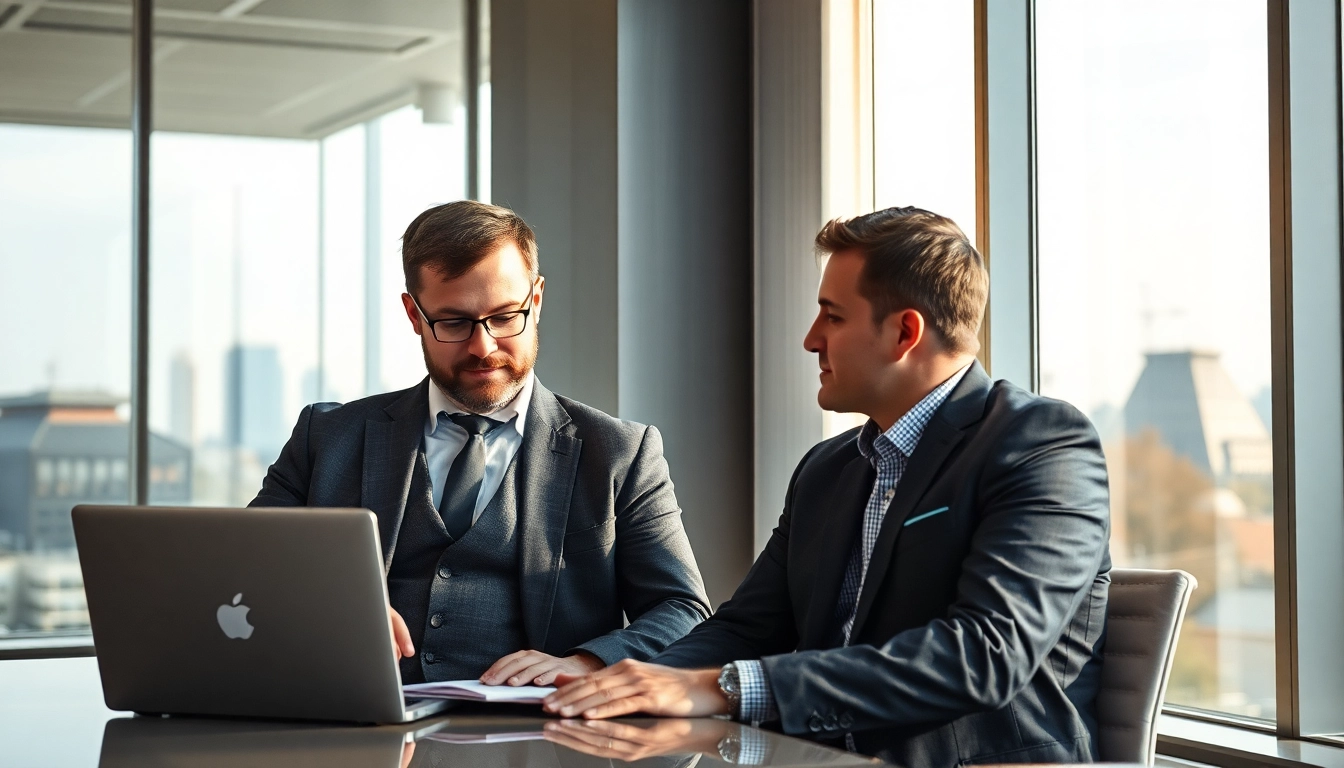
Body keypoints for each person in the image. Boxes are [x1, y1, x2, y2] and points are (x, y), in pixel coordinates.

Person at [543, 207, 1111, 766]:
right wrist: (619, 684)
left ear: (905, 332)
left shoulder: (1041, 444)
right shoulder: (826, 469)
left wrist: (728, 688)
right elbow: (747, 629)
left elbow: (985, 655)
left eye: (833, 317)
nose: (811, 340)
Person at [251, 200, 711, 686]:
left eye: (504, 316)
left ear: (536, 301)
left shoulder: (621, 454)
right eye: (453, 323)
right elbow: (242, 565)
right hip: (352, 731)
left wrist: (586, 664)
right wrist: (324, 598)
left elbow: (682, 609)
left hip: (540, 742)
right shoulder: (325, 439)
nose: (483, 346)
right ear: (413, 314)